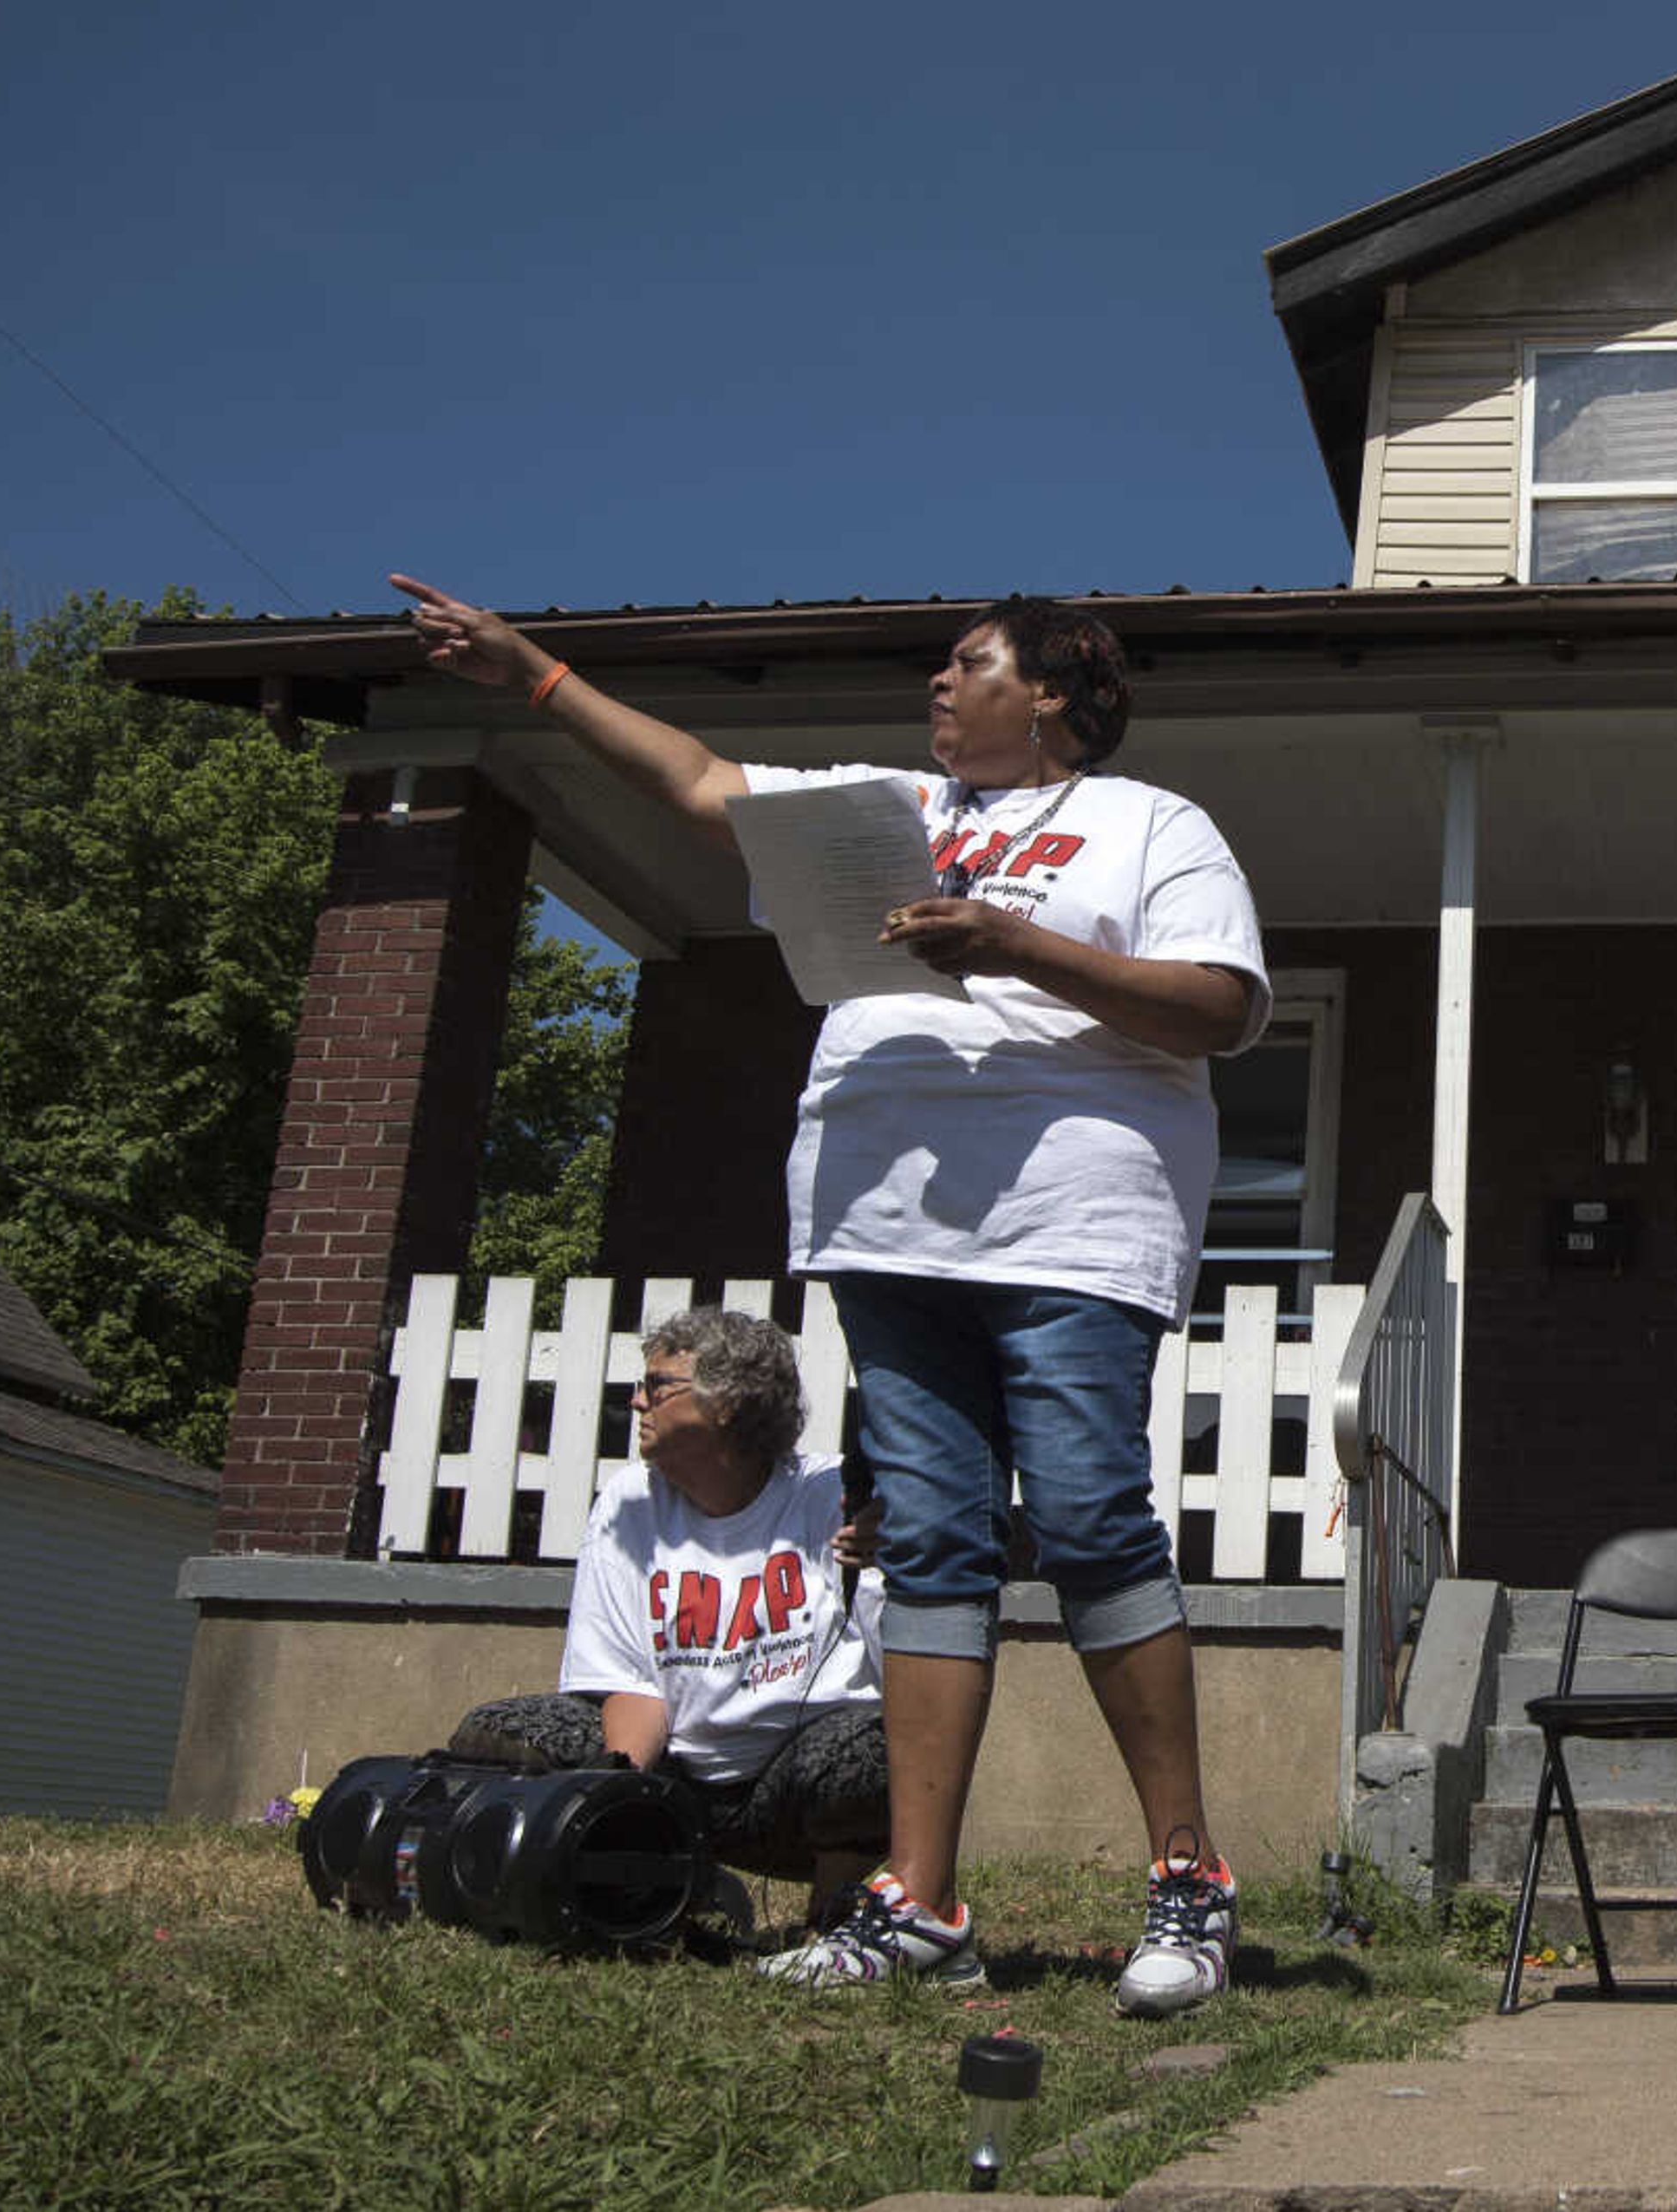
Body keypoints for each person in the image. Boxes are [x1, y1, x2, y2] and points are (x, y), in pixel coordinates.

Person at [395, 571, 1269, 2013]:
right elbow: (696, 774)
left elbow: (1223, 1006)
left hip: (1068, 1231)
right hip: (886, 1228)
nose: (937, 685)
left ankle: (1189, 1882)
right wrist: (529, 671)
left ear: (1049, 692)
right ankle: (917, 1904)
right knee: (928, 1542)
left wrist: (1014, 942)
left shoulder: (1152, 824)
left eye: (967, 663)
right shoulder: (879, 807)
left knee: (1090, 1517)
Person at [450, 1306, 887, 1922]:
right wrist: (626, 1798)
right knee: (512, 1729)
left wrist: (894, 1549)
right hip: (676, 1783)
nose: (635, 1401)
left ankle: (836, 1918)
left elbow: (903, 1668)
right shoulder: (631, 1502)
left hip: (797, 1792)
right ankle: (668, 1882)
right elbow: (630, 1684)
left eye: (657, 1385)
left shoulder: (832, 1496)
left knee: (875, 1746)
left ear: (729, 1402)